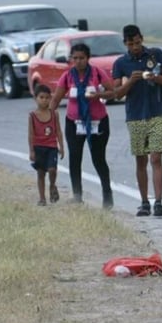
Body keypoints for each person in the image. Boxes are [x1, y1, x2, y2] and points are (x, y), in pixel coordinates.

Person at [112, 24, 162, 217]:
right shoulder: (120, 63)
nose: (135, 47)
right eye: (131, 44)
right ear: (125, 43)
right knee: (141, 160)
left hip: (156, 113)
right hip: (135, 116)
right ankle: (144, 202)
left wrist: (154, 77)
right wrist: (131, 81)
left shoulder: (155, 55)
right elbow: (116, 94)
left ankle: (159, 202)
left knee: (156, 157)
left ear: (142, 39)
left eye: (138, 42)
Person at [49, 42, 115, 209]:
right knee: (75, 157)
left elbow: (112, 92)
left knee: (98, 158)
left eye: (82, 58)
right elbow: (56, 99)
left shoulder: (97, 74)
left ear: (88, 58)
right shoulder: (67, 76)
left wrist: (98, 94)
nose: (78, 61)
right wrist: (46, 117)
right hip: (74, 123)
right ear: (71, 59)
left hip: (97, 122)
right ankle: (77, 195)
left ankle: (107, 194)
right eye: (75, 58)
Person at [29, 84, 64, 206]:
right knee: (40, 173)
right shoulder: (32, 116)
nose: (44, 100)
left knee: (52, 169)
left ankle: (52, 185)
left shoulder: (54, 114)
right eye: (41, 97)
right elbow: (31, 134)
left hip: (51, 147)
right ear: (36, 98)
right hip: (38, 147)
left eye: (47, 98)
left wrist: (62, 147)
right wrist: (32, 151)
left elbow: (58, 131)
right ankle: (42, 198)